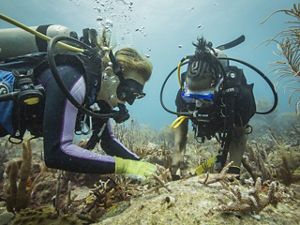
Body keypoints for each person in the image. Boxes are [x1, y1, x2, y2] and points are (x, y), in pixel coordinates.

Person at [0, 30, 157, 179]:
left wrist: (141, 164)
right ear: (112, 74)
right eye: (128, 92)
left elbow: (108, 141)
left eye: (136, 96)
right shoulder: (74, 81)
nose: (128, 101)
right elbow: (57, 152)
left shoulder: (99, 94)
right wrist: (125, 166)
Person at [170, 37, 256, 179]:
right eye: (191, 97)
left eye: (203, 97)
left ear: (219, 86)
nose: (197, 104)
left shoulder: (239, 96)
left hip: (228, 116)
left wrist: (234, 170)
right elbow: (181, 133)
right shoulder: (182, 97)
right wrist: (175, 165)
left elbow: (239, 133)